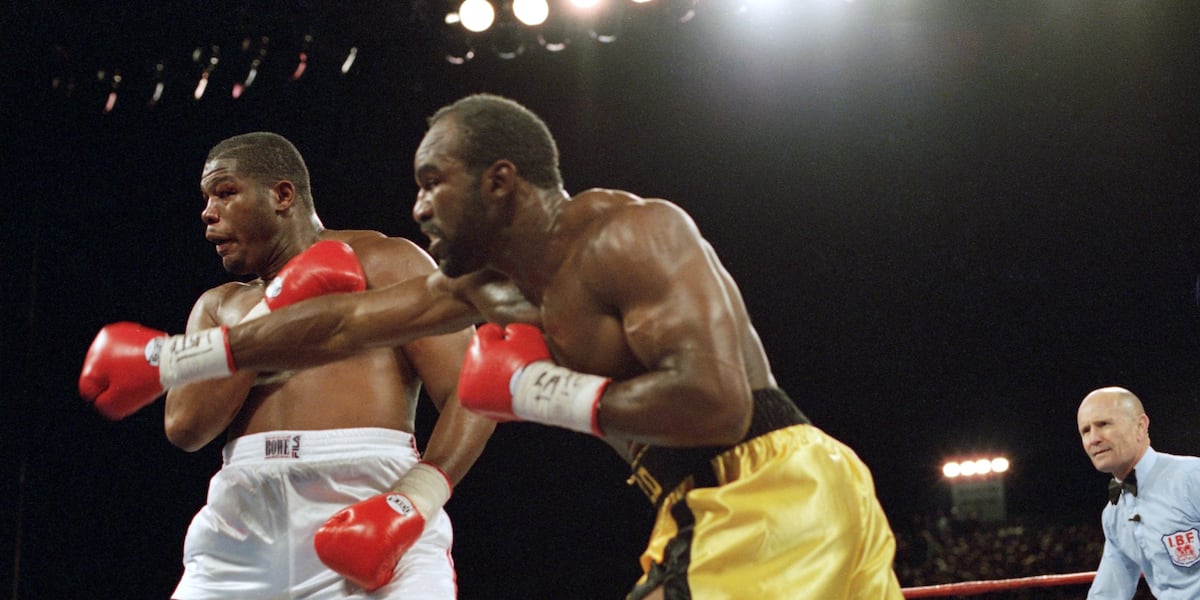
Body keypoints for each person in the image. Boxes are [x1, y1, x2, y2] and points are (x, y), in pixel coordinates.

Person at [80, 96, 903, 598]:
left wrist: (542, 393)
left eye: (433, 181)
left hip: (767, 490)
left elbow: (717, 401)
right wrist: (169, 361)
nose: (419, 204)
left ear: (499, 180)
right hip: (703, 501)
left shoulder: (630, 234)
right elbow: (340, 324)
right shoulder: (486, 286)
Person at [79, 131, 496, 598]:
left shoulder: (386, 261)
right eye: (205, 198)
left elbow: (477, 391)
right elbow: (186, 428)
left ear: (281, 195)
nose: (207, 212)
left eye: (225, 191)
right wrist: (272, 314)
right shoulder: (220, 306)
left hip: (372, 501)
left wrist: (416, 498)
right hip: (240, 533)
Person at [1077, 386, 1200, 599]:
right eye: (1085, 431)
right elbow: (1109, 590)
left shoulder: (1191, 477)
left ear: (1140, 426)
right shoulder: (1113, 514)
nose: (1093, 439)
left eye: (1104, 424)